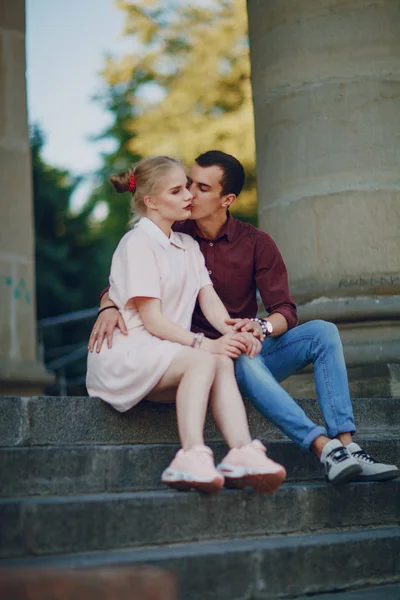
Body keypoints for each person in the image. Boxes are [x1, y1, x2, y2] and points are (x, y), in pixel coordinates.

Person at [90, 151, 399, 486]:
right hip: (189, 350)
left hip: (223, 346)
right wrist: (108, 305)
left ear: (228, 199)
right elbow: (130, 287)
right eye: (184, 186)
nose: (190, 194)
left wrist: (252, 328)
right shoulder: (167, 229)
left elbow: (281, 309)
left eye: (199, 188)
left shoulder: (246, 243)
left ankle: (347, 448)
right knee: (232, 353)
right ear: (154, 199)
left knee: (318, 333)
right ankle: (321, 447)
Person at [86, 156, 287, 495]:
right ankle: (190, 455)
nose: (189, 196)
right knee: (206, 357)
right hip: (127, 352)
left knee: (222, 358)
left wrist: (235, 333)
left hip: (164, 352)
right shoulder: (137, 243)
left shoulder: (186, 244)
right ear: (151, 201)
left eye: (189, 188)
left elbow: (208, 301)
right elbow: (151, 320)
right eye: (178, 190)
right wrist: (203, 343)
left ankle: (242, 451)